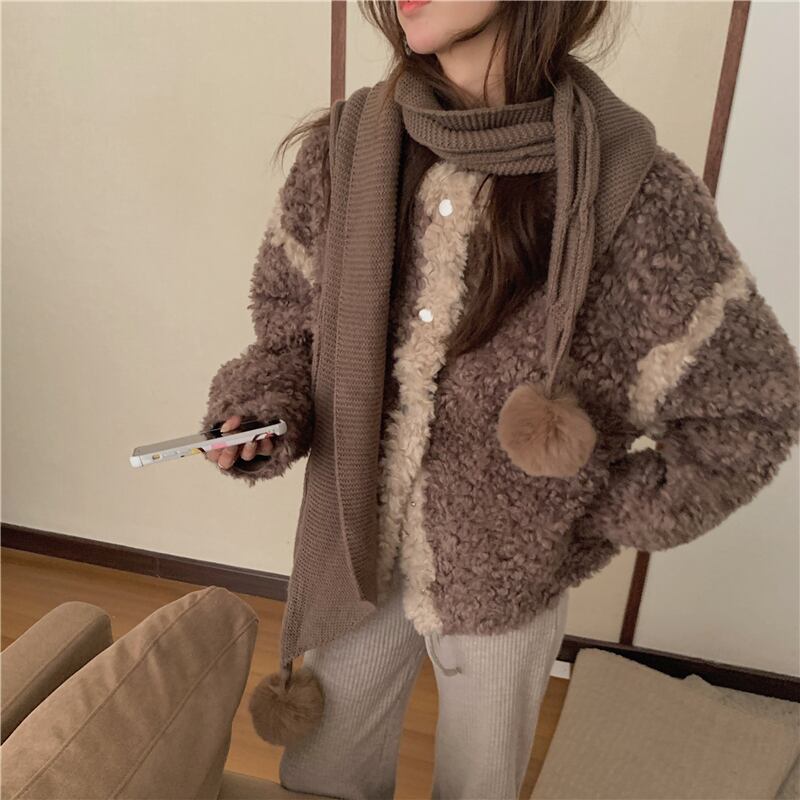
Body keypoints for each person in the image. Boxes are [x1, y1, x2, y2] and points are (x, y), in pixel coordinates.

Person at [201, 2, 800, 799]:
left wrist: (582, 508)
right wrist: (259, 412)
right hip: (352, 547)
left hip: (505, 587)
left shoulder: (635, 195)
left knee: (479, 785)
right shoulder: (344, 152)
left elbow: (752, 406)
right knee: (323, 776)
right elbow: (289, 333)